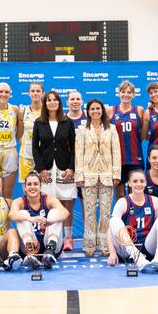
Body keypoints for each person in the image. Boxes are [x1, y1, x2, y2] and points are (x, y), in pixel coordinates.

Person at [75, 98, 121, 256]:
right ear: (88, 112)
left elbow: (116, 151)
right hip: (88, 176)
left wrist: (116, 173)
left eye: (98, 108)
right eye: (92, 109)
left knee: (105, 212)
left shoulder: (111, 129)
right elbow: (78, 153)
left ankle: (105, 244)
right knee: (89, 212)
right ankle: (89, 244)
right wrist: (79, 175)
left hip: (107, 176)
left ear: (102, 110)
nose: (95, 111)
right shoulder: (82, 129)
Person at [32, 91, 76, 249]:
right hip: (46, 169)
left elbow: (74, 147)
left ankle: (68, 237)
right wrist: (40, 168)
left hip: (65, 168)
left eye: (55, 100)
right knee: (48, 203)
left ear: (59, 103)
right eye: (49, 100)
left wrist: (71, 167)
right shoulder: (39, 122)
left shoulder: (67, 122)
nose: (52, 102)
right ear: (45, 104)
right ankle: (49, 237)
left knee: (67, 201)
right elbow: (35, 148)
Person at [106, 170, 158, 271]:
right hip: (127, 249)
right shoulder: (123, 202)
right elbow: (111, 229)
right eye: (135, 181)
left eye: (141, 181)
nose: (138, 184)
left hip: (146, 246)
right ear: (129, 183)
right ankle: (139, 259)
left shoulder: (154, 201)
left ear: (145, 183)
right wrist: (112, 253)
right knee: (114, 220)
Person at [9, 171, 69, 269]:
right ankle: (31, 251)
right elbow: (11, 214)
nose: (32, 187)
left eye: (35, 184)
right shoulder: (19, 201)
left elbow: (65, 212)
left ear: (40, 186)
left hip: (49, 244)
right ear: (24, 187)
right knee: (22, 213)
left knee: (55, 212)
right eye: (29, 184)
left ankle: (50, 250)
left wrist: (51, 221)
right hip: (29, 246)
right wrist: (29, 218)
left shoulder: (48, 199)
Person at [108, 80, 145, 198]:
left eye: (129, 92)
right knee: (120, 194)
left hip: (135, 158)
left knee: (135, 192)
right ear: (119, 93)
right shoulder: (111, 111)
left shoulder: (139, 110)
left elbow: (144, 133)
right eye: (123, 92)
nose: (126, 95)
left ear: (133, 94)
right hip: (117, 159)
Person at [65, 90, 86, 250]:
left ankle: (88, 236)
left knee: (87, 203)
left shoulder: (89, 117)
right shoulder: (62, 119)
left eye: (78, 99)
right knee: (68, 203)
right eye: (72, 99)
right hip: (68, 166)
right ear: (67, 102)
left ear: (82, 101)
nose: (75, 101)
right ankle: (68, 237)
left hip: (85, 167)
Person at [18, 82, 44, 184]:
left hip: (43, 157)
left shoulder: (47, 112)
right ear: (29, 93)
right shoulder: (23, 111)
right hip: (26, 156)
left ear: (42, 93)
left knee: (44, 188)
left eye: (38, 91)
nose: (35, 93)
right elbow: (19, 133)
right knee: (27, 187)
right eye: (32, 91)